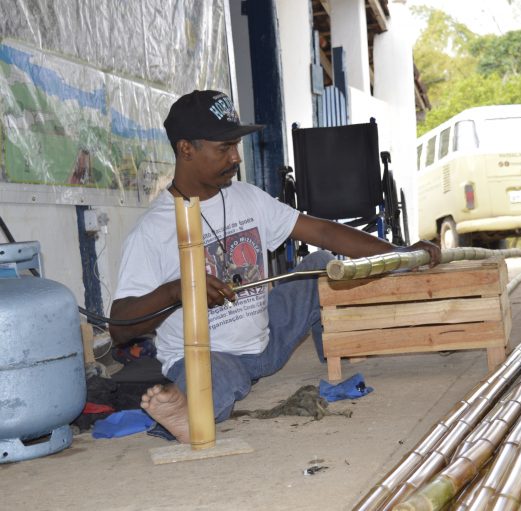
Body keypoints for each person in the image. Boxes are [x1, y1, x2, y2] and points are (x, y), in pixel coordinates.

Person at [109, 90, 440, 443]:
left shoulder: (247, 196)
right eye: (224, 148)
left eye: (236, 146)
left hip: (268, 339)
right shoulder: (153, 231)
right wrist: (178, 291)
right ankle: (187, 414)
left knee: (320, 266)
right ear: (186, 149)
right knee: (213, 378)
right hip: (214, 355)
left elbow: (322, 231)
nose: (236, 157)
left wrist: (399, 254)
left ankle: (337, 351)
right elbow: (119, 327)